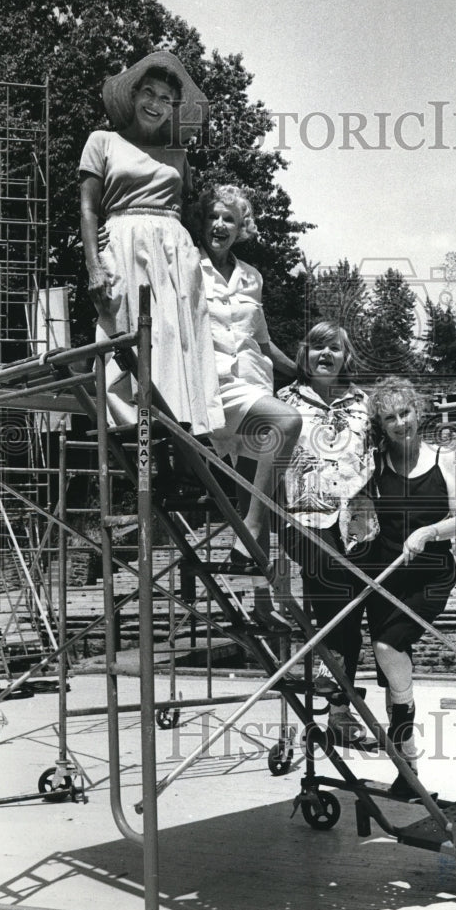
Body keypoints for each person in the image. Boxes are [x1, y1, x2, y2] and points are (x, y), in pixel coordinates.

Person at [79, 50, 224, 435]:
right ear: (134, 94)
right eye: (149, 92)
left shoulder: (178, 153)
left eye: (166, 99)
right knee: (123, 333)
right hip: (124, 245)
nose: (155, 104)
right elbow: (89, 209)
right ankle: (132, 431)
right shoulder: (103, 141)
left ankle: (179, 431)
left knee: (175, 337)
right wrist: (93, 265)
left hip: (174, 252)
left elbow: (193, 212)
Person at [196, 184, 301, 627]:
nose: (221, 225)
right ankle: (250, 532)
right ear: (202, 221)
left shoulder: (252, 276)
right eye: (215, 217)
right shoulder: (185, 265)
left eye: (230, 220)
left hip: (252, 384)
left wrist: (302, 372)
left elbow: (262, 342)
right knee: (288, 421)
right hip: (210, 384)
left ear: (242, 228)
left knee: (259, 493)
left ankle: (262, 600)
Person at [277, 322, 378, 745]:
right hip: (303, 518)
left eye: (334, 348)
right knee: (333, 584)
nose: (325, 355)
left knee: (351, 613)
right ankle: (327, 676)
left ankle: (339, 713)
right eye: (317, 346)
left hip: (354, 520)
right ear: (304, 354)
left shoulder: (364, 405)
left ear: (345, 356)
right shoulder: (281, 401)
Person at [364, 376, 456, 796]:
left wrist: (428, 532)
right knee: (390, 677)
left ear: (418, 412)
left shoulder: (445, 459)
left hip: (431, 574)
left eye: (404, 412)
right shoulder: (375, 463)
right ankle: (408, 771)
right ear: (381, 425)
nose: (399, 422)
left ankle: (407, 723)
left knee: (388, 649)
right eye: (389, 418)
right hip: (386, 576)